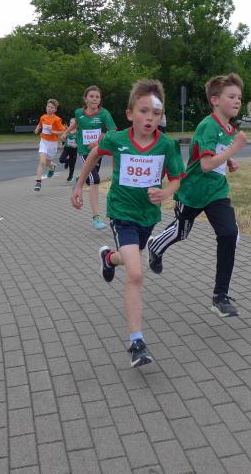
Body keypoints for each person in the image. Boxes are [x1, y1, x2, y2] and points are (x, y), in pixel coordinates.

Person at [71, 79, 185, 367]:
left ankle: (109, 258)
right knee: (135, 273)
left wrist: (166, 193)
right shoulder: (117, 139)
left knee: (129, 256)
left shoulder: (167, 145)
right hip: (121, 213)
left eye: (156, 113)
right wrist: (79, 185)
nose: (149, 118)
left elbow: (177, 179)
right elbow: (94, 153)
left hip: (148, 216)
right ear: (130, 113)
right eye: (143, 111)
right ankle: (136, 342)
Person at [146, 73, 248, 318]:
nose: (237, 101)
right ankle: (155, 246)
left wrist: (230, 160)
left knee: (228, 233)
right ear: (215, 100)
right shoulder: (207, 125)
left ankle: (220, 296)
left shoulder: (229, 128)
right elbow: (205, 164)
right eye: (231, 96)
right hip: (193, 190)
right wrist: (235, 149)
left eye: (239, 97)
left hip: (217, 191)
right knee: (181, 232)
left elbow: (217, 151)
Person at [62, 86, 117, 229]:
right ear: (85, 98)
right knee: (95, 179)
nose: (94, 99)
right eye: (91, 96)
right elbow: (77, 122)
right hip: (84, 150)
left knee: (90, 178)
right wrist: (66, 132)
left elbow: (113, 131)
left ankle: (79, 179)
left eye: (97, 97)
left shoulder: (104, 113)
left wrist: (98, 142)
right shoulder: (79, 112)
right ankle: (96, 217)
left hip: (98, 151)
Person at [33, 99, 66, 191]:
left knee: (47, 162)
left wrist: (53, 132)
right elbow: (40, 125)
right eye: (48, 106)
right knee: (42, 162)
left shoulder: (57, 119)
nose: (49, 108)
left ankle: (52, 167)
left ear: (55, 109)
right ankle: (38, 182)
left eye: (52, 107)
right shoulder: (43, 117)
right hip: (43, 141)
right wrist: (37, 129)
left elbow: (63, 131)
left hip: (52, 144)